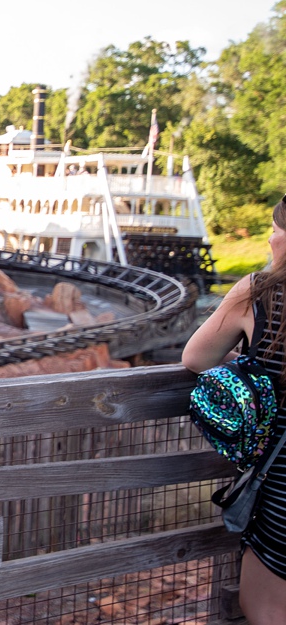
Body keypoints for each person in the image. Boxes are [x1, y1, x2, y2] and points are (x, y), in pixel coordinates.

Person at [183, 197, 286, 624]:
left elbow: (196, 358)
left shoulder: (262, 292)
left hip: (282, 486)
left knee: (265, 610)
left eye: (278, 228)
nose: (270, 236)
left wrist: (251, 373)